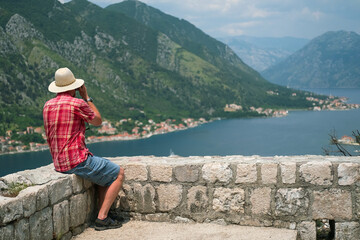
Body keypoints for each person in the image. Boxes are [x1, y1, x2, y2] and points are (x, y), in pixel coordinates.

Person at [43, 67, 124, 231]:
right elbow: (98, 121)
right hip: (76, 161)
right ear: (74, 87)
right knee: (118, 173)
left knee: (104, 175)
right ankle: (101, 219)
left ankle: (105, 213)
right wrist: (87, 97)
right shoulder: (77, 103)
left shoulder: (48, 105)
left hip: (59, 163)